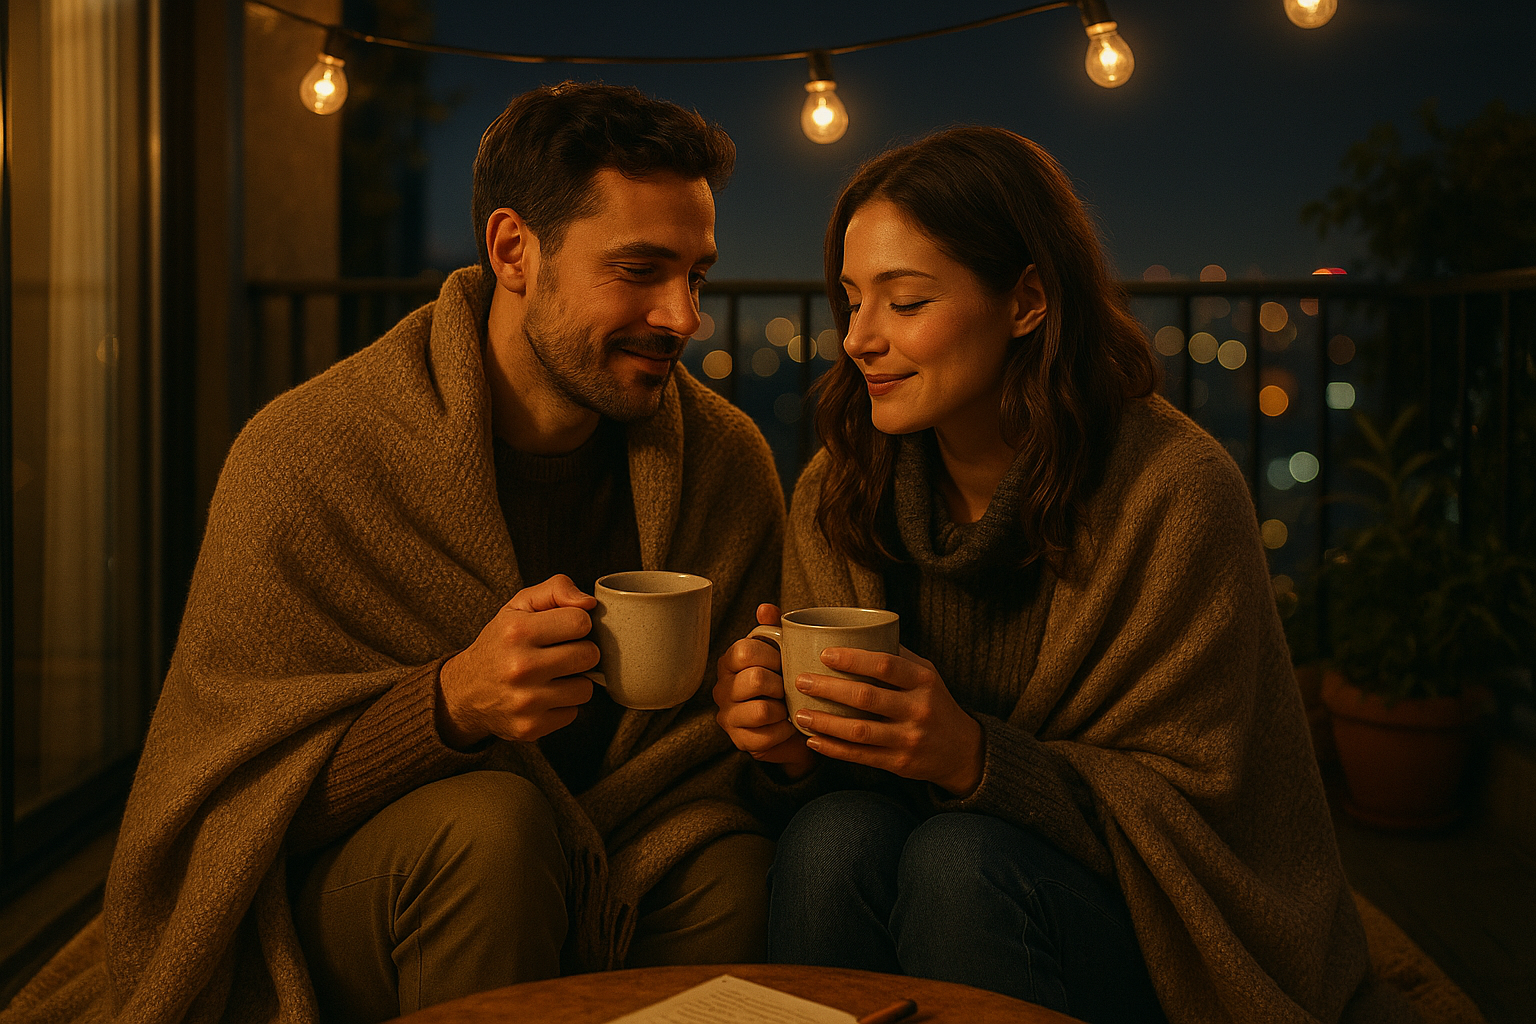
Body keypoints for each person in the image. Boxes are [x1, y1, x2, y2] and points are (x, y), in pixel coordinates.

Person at [7, 83, 784, 1024]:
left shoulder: (725, 463)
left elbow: (723, 760)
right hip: (365, 889)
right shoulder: (309, 455)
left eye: (695, 276)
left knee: (731, 863)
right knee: (491, 828)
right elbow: (227, 807)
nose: (682, 317)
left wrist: (771, 725)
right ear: (513, 251)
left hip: (630, 857)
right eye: (639, 269)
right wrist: (450, 705)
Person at [714, 126, 1417, 1024]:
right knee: (828, 837)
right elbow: (849, 787)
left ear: (1029, 300)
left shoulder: (1171, 491)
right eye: (849, 301)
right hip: (947, 871)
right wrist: (784, 749)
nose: (857, 338)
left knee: (960, 861)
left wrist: (974, 757)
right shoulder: (841, 488)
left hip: (1155, 925)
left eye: (906, 302)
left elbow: (1202, 812)